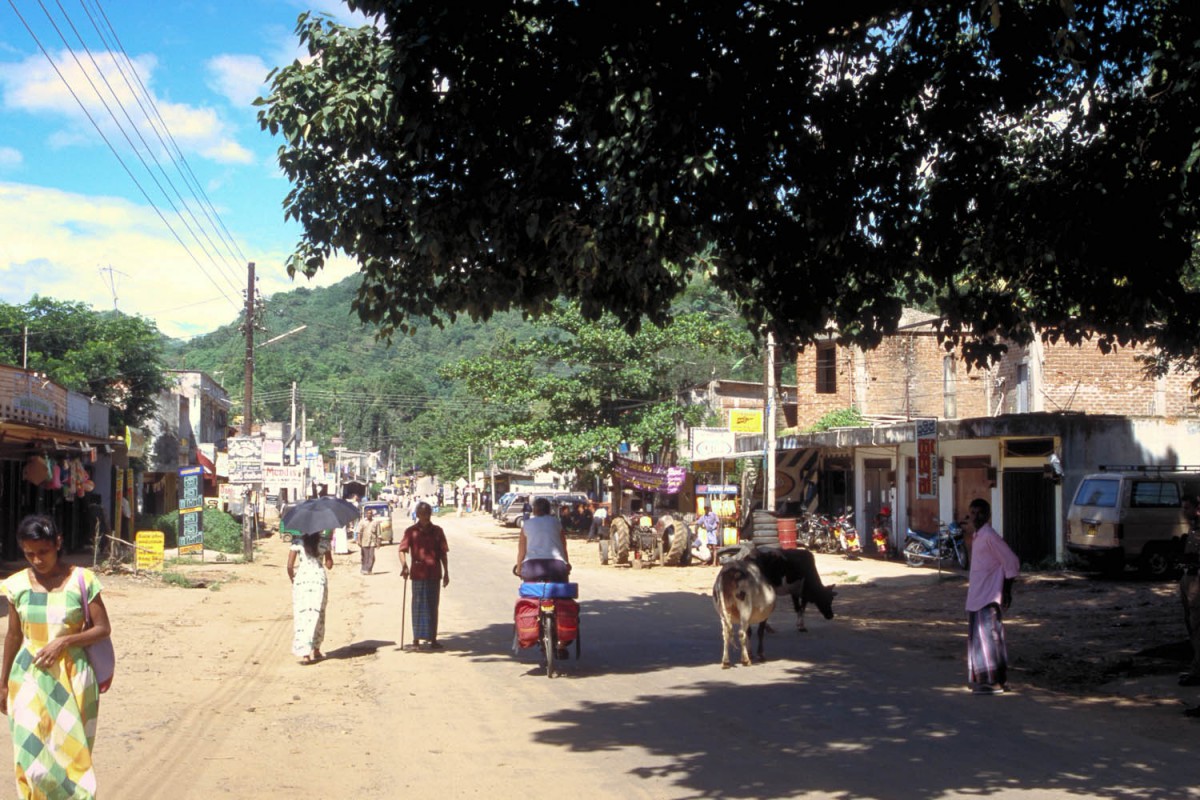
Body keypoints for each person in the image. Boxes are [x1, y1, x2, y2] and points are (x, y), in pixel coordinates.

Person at [0, 514, 112, 798]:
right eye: (29, 554)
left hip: (73, 678)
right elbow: (13, 636)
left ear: (58, 543)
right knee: (30, 755)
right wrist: (3, 684)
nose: (37, 560)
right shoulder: (16, 586)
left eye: (43, 552)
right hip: (27, 677)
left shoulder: (82, 580)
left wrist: (65, 641)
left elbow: (102, 628)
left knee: (71, 756)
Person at [964, 498, 1020, 695]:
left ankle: (994, 682)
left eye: (980, 513)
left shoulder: (989, 536)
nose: (975, 517)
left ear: (987, 515)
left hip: (988, 597)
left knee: (989, 639)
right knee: (981, 640)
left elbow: (1011, 561)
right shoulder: (978, 536)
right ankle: (989, 680)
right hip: (977, 596)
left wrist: (1006, 591)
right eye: (973, 513)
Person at [398, 502, 450, 650]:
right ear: (418, 514)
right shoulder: (411, 531)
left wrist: (446, 572)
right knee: (418, 606)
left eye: (427, 513)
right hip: (418, 572)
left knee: (433, 606)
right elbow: (402, 550)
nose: (425, 516)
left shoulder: (438, 531)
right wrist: (404, 565)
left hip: (434, 572)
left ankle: (433, 639)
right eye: (422, 513)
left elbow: (443, 553)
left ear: (430, 514)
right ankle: (416, 639)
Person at [288, 530, 333, 664]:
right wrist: (324, 558)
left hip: (302, 579)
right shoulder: (324, 543)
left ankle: (305, 653)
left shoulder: (297, 543)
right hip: (318, 580)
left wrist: (293, 580)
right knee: (319, 614)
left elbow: (289, 565)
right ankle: (317, 650)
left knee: (302, 615)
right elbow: (329, 565)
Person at [1177, 496, 1200, 701]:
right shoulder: (1193, 526)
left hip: (1196, 578)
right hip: (1188, 576)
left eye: (1187, 508)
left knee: (1197, 624)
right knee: (1191, 625)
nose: (1184, 512)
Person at [516, 496, 571, 582]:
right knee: (562, 592)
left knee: (530, 592)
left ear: (534, 510)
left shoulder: (527, 524)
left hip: (532, 567)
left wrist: (519, 568)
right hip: (557, 567)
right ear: (549, 509)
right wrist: (567, 564)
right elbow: (563, 548)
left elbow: (522, 552)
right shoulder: (556, 523)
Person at [356, 508, 381, 575]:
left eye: (370, 513)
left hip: (372, 542)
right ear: (366, 514)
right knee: (364, 556)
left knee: (372, 557)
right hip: (364, 542)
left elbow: (378, 534)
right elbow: (359, 532)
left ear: (372, 514)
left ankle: (369, 570)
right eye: (368, 513)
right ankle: (364, 569)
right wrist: (359, 541)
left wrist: (378, 543)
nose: (369, 515)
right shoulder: (362, 522)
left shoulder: (375, 522)